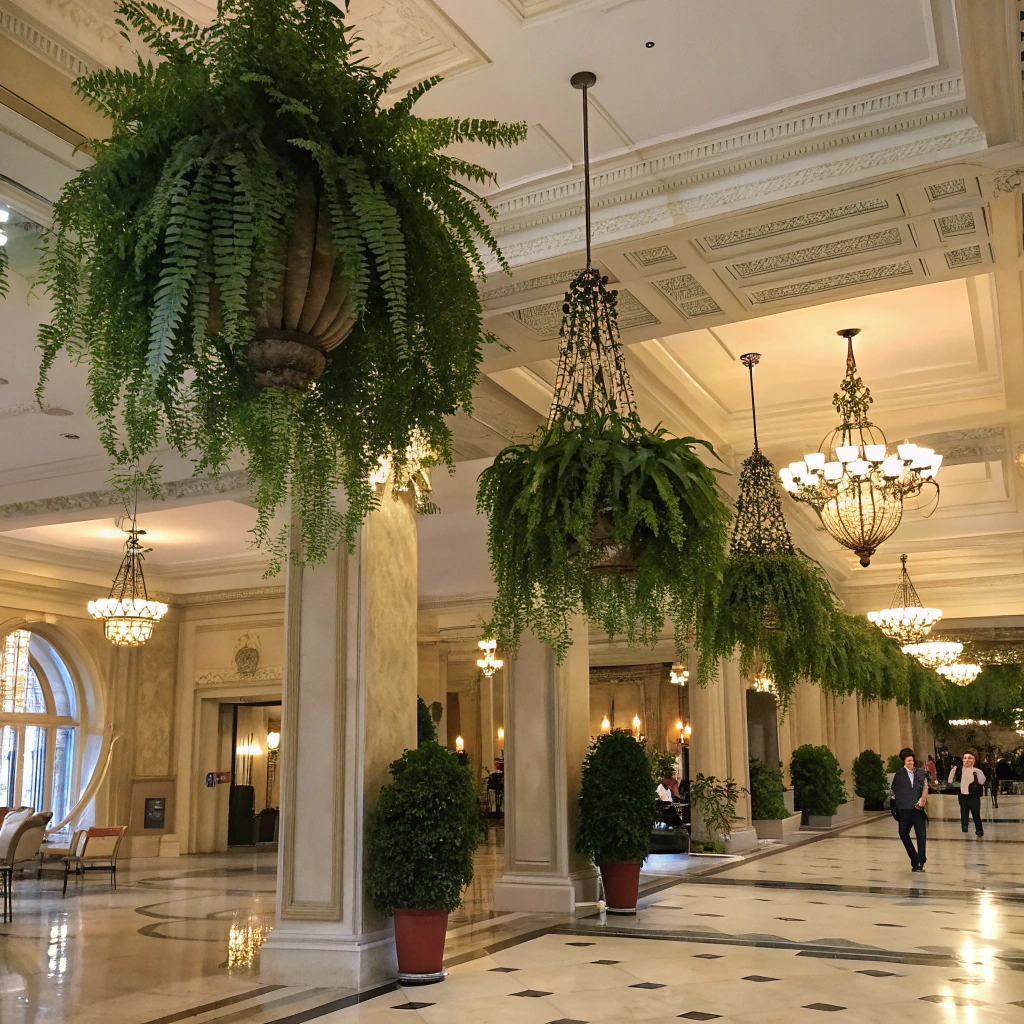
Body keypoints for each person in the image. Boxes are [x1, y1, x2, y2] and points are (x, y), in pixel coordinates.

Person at [890, 747, 929, 871]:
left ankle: (921, 861)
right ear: (904, 762)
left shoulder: (921, 773)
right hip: (904, 809)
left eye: (912, 760)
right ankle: (914, 857)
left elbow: (925, 787)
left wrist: (922, 800)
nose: (911, 763)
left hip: (917, 808)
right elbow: (894, 791)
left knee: (921, 835)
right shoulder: (899, 774)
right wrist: (894, 805)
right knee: (903, 833)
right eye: (908, 761)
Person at [948, 748, 985, 837]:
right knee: (964, 812)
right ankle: (964, 827)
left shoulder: (977, 771)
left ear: (974, 760)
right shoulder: (958, 769)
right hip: (963, 795)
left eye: (969, 758)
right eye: (965, 758)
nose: (967, 760)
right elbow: (950, 780)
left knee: (976, 813)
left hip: (974, 796)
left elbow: (982, 781)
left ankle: (979, 830)